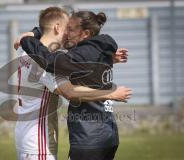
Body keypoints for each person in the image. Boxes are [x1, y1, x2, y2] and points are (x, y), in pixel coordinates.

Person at [14, 7, 132, 160]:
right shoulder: (42, 62)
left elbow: (67, 57)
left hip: (27, 136)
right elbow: (70, 92)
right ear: (57, 27)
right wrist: (111, 94)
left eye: (71, 29)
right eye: (67, 28)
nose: (68, 34)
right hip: (38, 142)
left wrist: (99, 58)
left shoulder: (25, 51)